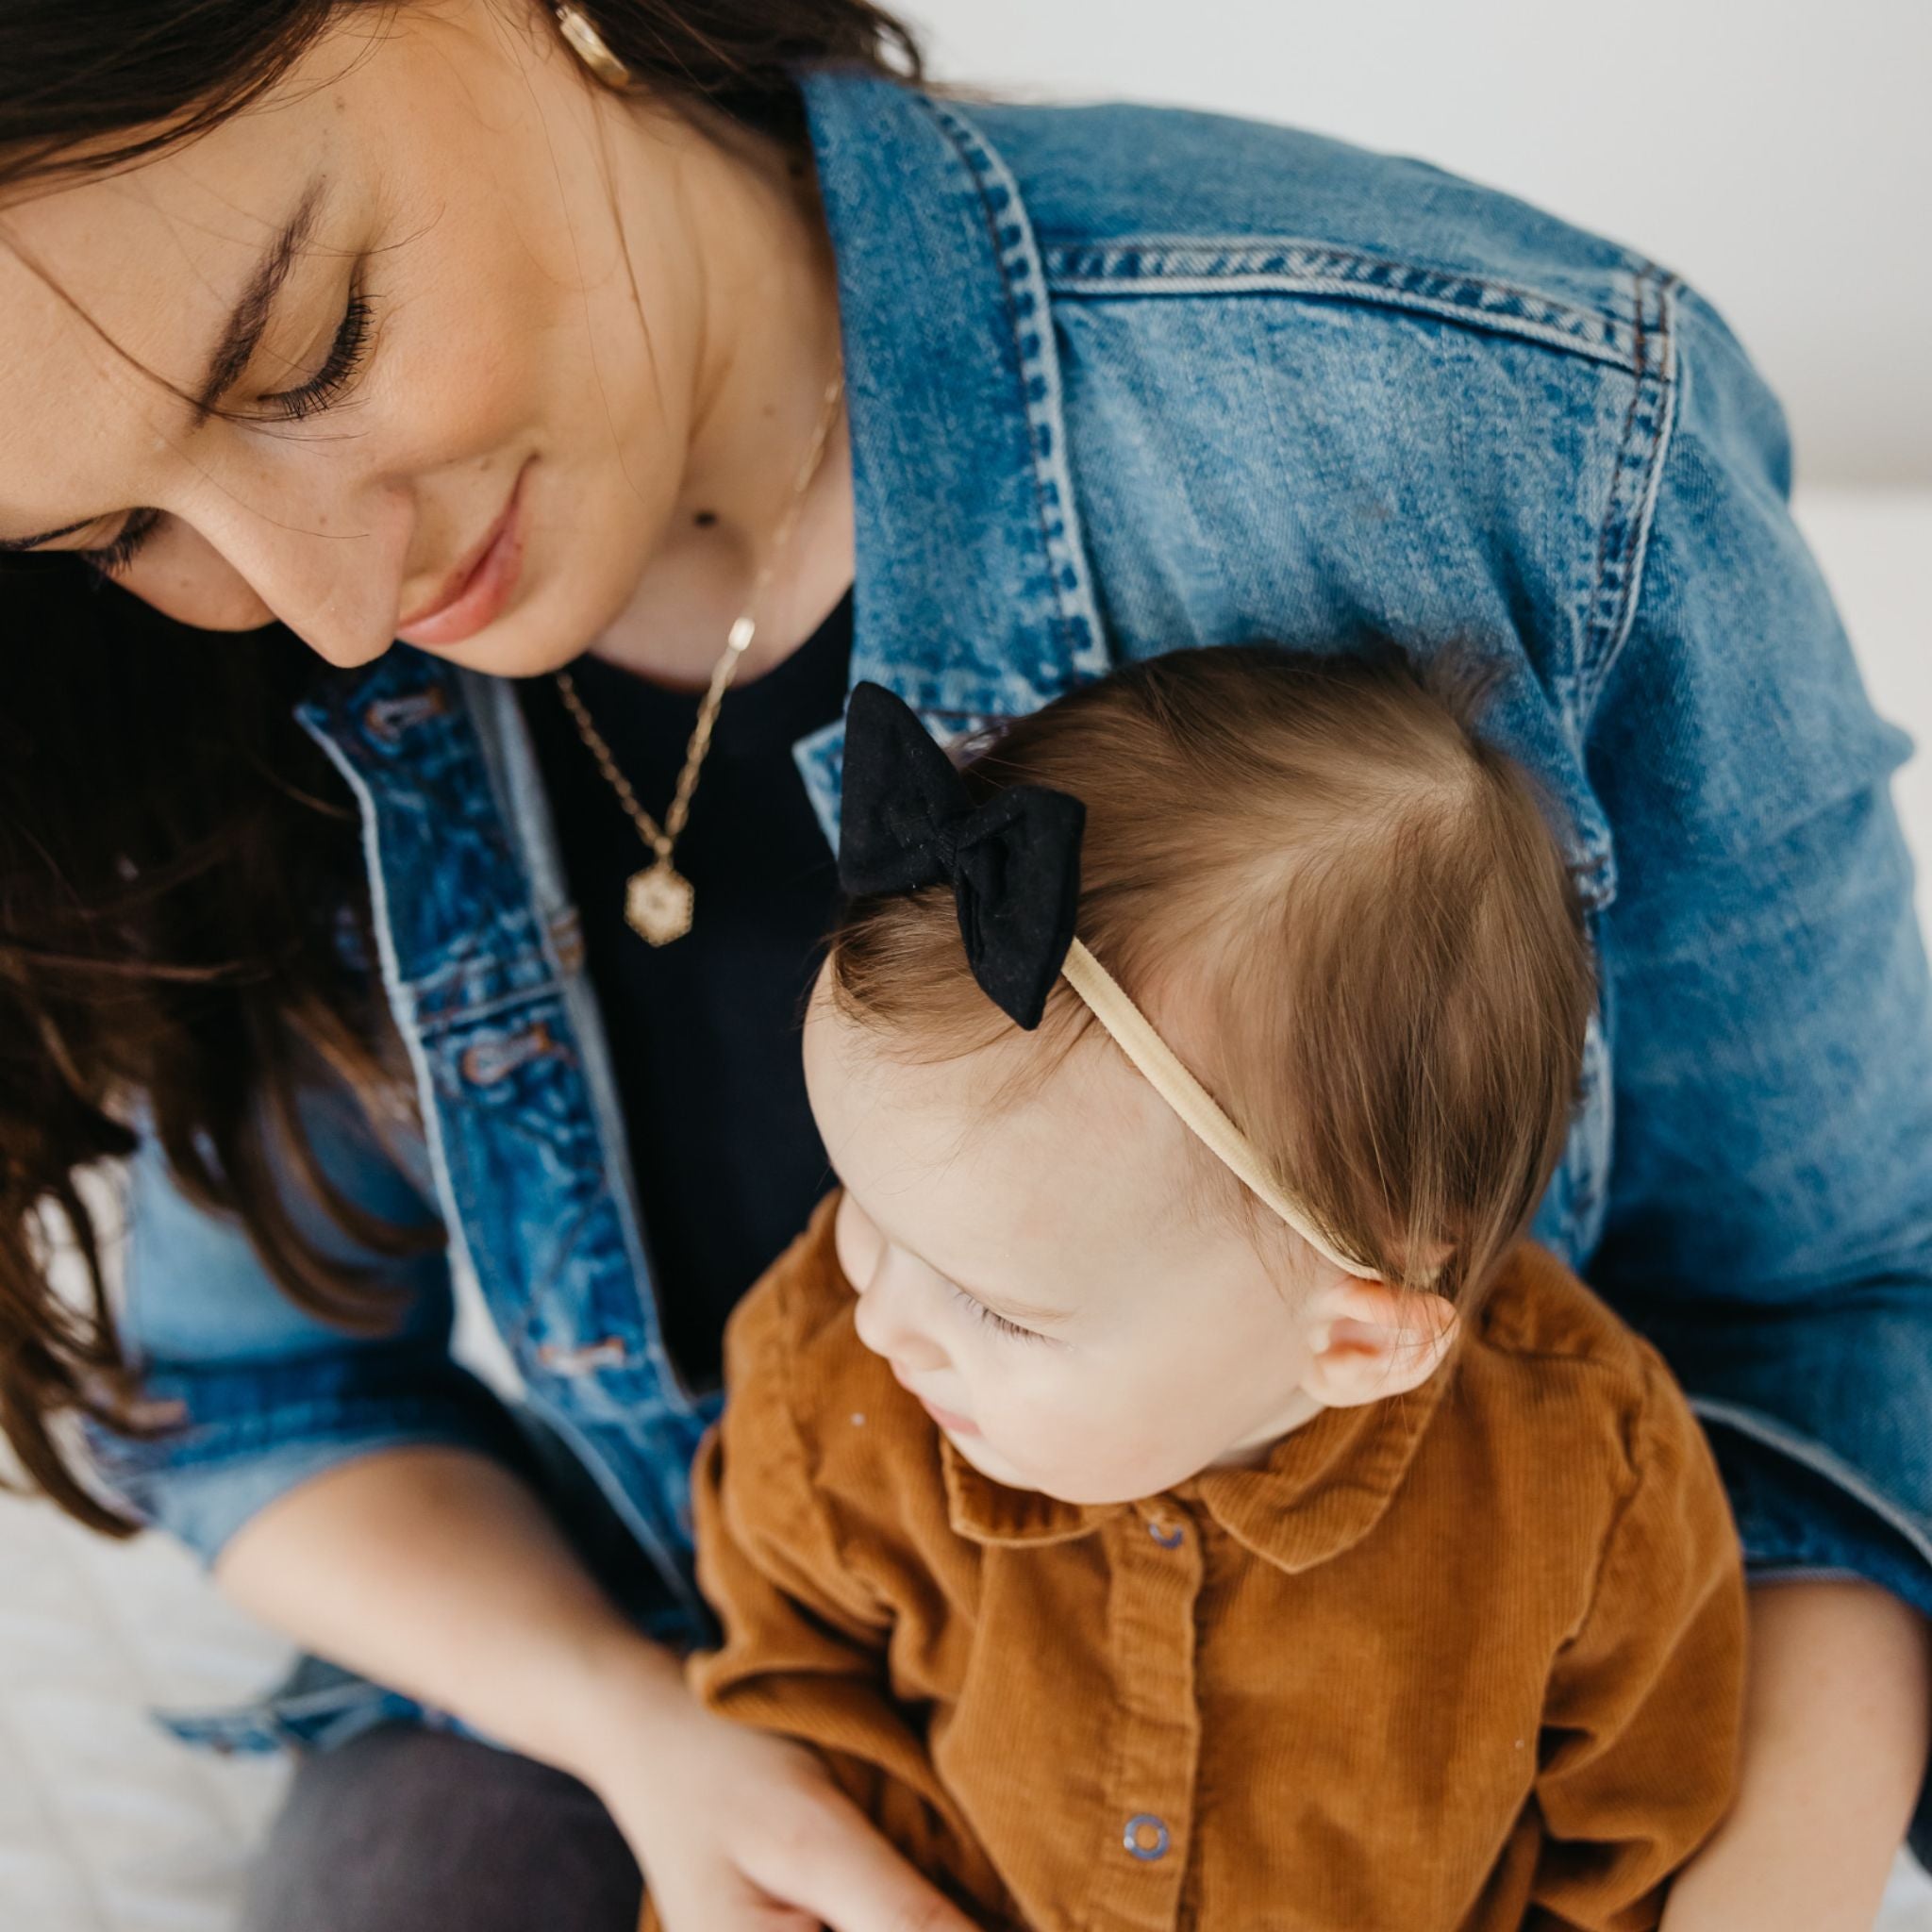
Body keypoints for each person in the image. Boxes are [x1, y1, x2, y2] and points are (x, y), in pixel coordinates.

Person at [0, 4, 1925, 1929]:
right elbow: (256, 1396)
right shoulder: (200, 696)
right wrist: (653, 1734)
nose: (329, 606)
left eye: (309, 345)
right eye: (118, 530)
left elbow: (1837, 1297)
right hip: (679, 1672)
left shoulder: (1502, 416)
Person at [675, 650, 1747, 1931]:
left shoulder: (1585, 1491)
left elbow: (1628, 1852)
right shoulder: (830, 1389)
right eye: (863, 1204)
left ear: (1352, 1339)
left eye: (999, 1311)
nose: (881, 1318)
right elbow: (786, 1704)